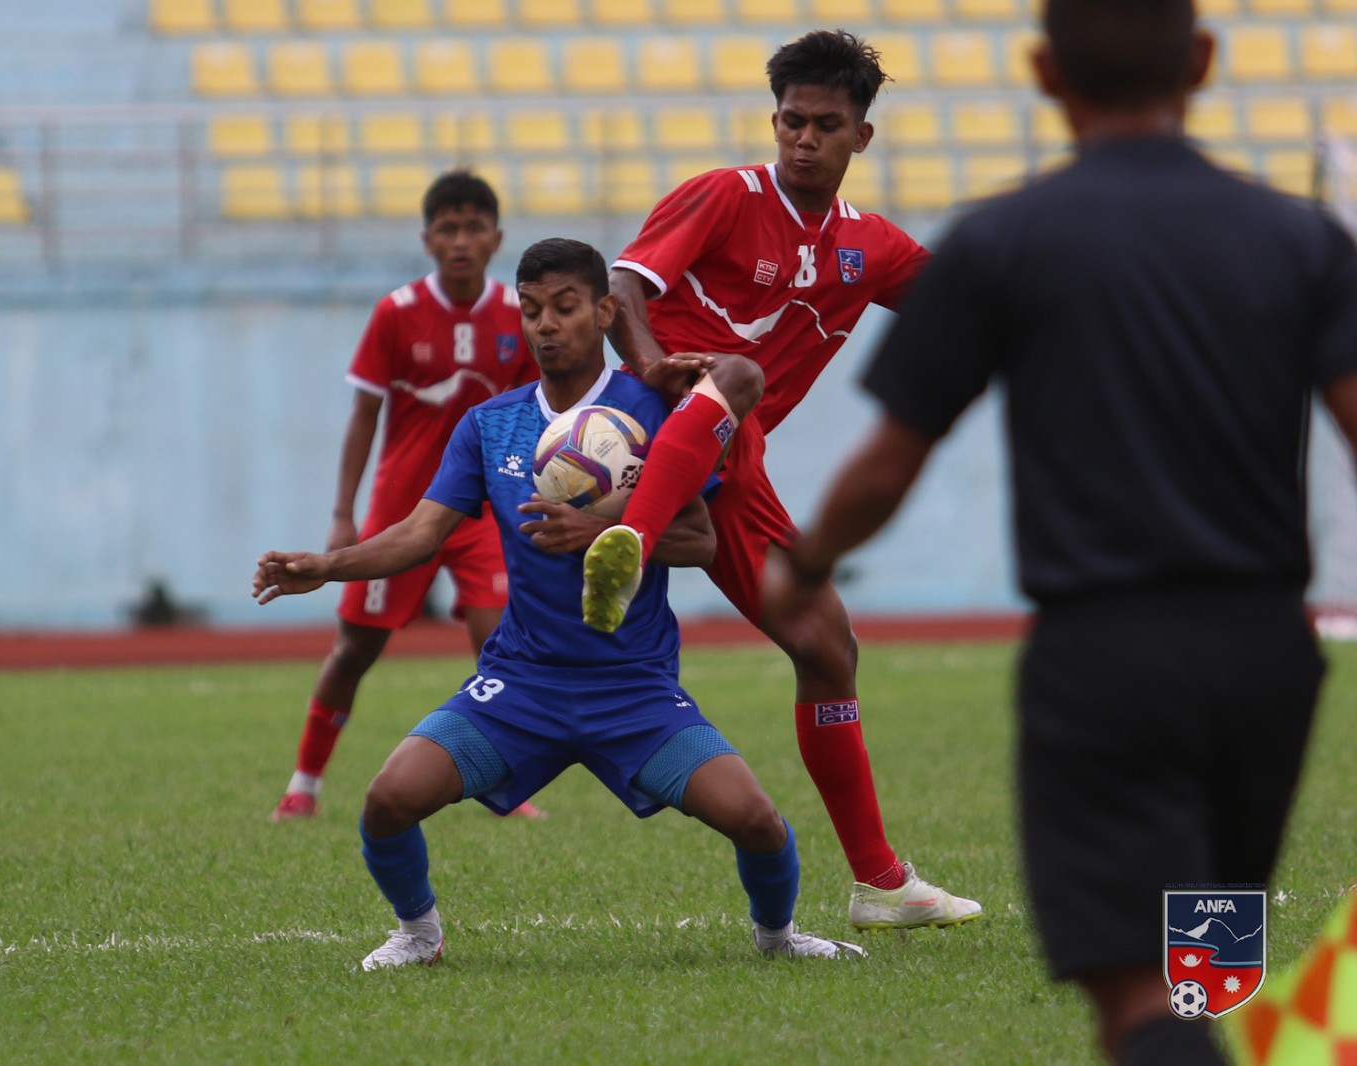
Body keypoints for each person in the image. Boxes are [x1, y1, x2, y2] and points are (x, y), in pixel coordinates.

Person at [765, 1, 1357, 1062]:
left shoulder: (1005, 240)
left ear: (1043, 73)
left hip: (1101, 655)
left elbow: (890, 460)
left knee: (1132, 995)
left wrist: (803, 567)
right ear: (1204, 62)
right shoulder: (1298, 238)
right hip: (1261, 650)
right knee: (1202, 973)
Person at [253, 238, 866, 969]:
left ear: (605, 312)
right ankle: (418, 934)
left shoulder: (658, 409)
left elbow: (700, 538)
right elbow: (422, 532)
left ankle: (780, 939)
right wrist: (327, 565)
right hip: (522, 684)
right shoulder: (491, 424)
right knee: (388, 799)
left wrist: (602, 523)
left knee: (758, 821)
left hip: (632, 688)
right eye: (532, 310)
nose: (545, 325)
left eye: (566, 308)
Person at [580, 29, 980, 930]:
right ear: (773, 122)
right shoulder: (726, 196)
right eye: (792, 121)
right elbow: (625, 288)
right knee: (738, 374)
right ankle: (630, 543)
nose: (804, 139)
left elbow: (964, 303)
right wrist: (650, 368)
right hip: (651, 422)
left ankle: (880, 882)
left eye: (826, 125)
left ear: (860, 139)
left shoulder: (868, 249)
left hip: (733, 454)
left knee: (827, 644)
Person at [271, 169, 544, 821]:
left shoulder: (516, 315)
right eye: (447, 228)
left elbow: (537, 413)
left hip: (483, 512)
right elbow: (364, 415)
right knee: (354, 650)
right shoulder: (396, 313)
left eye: (473, 227)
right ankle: (304, 783)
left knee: (499, 645)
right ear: (427, 239)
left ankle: (507, 790)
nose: (460, 240)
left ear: (495, 237)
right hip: (401, 511)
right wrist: (344, 513)